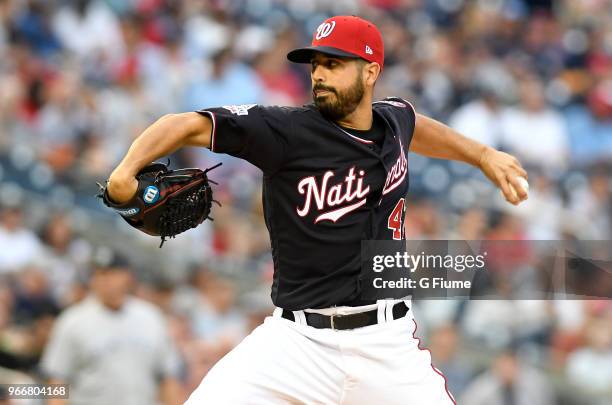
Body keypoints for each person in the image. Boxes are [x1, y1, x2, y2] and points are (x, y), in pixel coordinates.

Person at [106, 15, 527, 405]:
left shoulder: (393, 120)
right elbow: (185, 124)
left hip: (387, 343)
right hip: (295, 343)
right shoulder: (286, 131)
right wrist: (125, 172)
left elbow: (415, 125)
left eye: (334, 64)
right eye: (315, 66)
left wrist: (483, 155)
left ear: (371, 71)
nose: (320, 75)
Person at [41, 248, 181, 405]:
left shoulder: (151, 317)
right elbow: (57, 381)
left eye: (112, 273)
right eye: (99, 274)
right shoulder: (72, 321)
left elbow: (168, 378)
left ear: (128, 276)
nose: (105, 280)